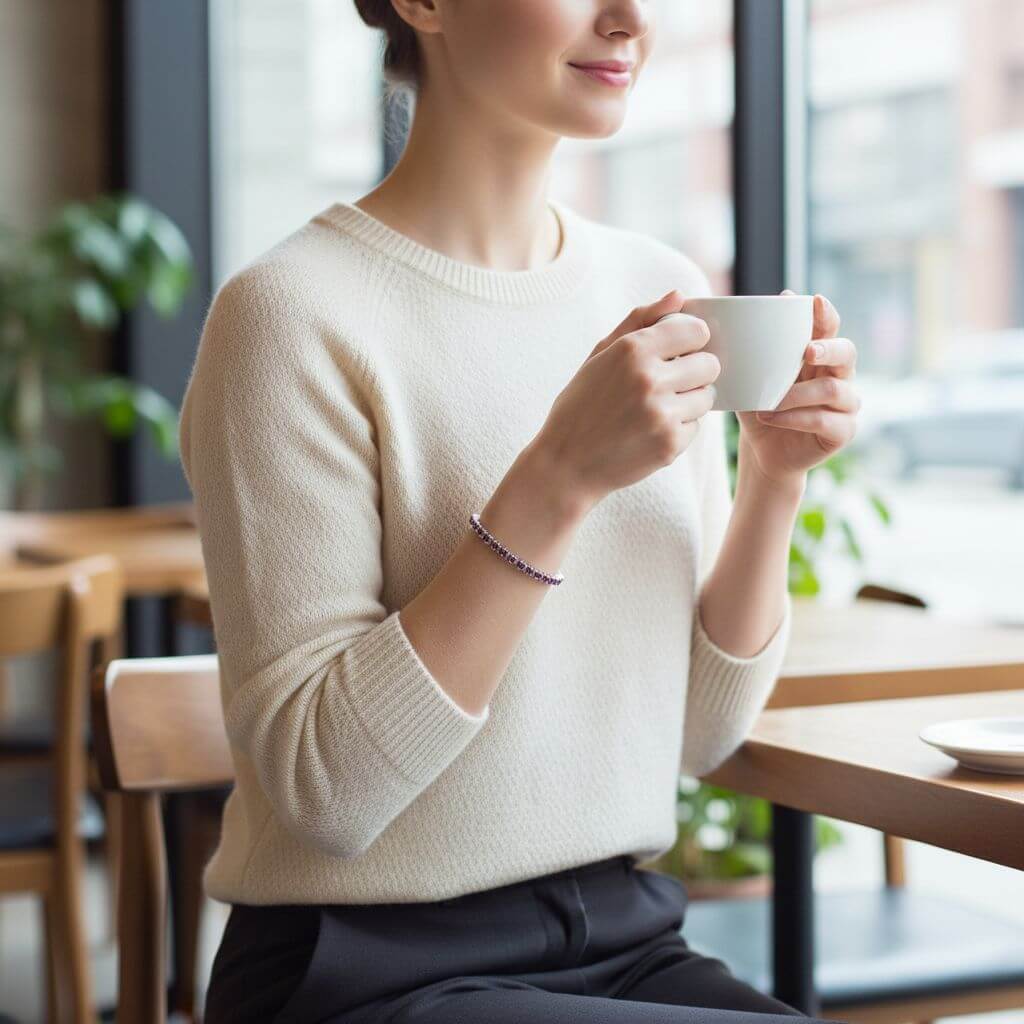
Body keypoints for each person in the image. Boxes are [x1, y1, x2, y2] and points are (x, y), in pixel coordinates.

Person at [179, 1, 861, 1021]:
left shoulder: (654, 288)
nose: (630, 18)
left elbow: (698, 733)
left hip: (624, 942)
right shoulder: (290, 314)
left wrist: (773, 478)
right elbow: (326, 792)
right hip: (363, 971)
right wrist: (557, 481)